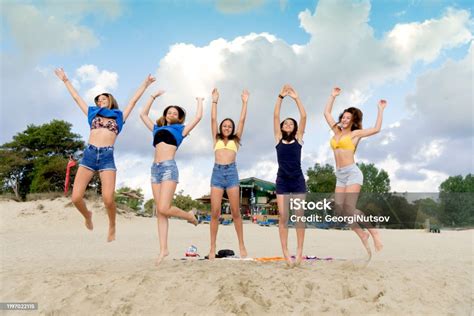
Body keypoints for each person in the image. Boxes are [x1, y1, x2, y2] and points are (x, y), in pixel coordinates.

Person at [54, 67, 155, 242]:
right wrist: (65, 80)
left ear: (110, 101)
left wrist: (145, 85)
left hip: (107, 157)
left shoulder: (119, 117)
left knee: (108, 199)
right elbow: (77, 98)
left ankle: (112, 225)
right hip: (89, 155)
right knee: (76, 198)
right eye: (98, 100)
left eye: (104, 98)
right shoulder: (92, 114)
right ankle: (87, 215)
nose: (101, 101)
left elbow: (133, 101)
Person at [140, 88, 203, 265]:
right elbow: (143, 114)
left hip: (169, 168)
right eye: (169, 111)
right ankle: (163, 250)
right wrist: (152, 97)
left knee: (164, 207)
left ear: (179, 117)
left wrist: (199, 100)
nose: (171, 113)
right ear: (165, 115)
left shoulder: (181, 130)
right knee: (161, 212)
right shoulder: (156, 128)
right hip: (155, 169)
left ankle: (190, 216)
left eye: (175, 112)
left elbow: (198, 118)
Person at [323, 86, 386, 257]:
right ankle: (362, 234)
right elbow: (326, 113)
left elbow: (376, 129)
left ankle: (374, 233)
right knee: (341, 210)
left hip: (352, 173)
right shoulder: (335, 132)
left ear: (352, 121)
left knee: (349, 209)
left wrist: (380, 110)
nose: (344, 120)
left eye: (348, 118)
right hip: (340, 175)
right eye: (343, 117)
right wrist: (333, 96)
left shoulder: (355, 134)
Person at [208, 88, 249, 259]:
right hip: (217, 174)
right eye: (224, 126)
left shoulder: (236, 140)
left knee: (235, 212)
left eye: (229, 126)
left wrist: (245, 102)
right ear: (221, 128)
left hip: (231, 173)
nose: (227, 127)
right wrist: (215, 101)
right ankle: (212, 247)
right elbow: (212, 118)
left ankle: (242, 246)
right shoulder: (216, 139)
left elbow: (241, 120)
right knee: (215, 212)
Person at [273, 84, 307, 266]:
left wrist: (295, 98)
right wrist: (280, 97)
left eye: (290, 123)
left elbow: (304, 116)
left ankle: (299, 251)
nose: (288, 124)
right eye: (286, 123)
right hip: (282, 182)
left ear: (294, 128)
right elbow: (276, 115)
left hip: (298, 181)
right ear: (282, 127)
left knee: (299, 216)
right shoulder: (278, 137)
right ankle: (286, 252)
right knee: (283, 216)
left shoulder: (299, 138)